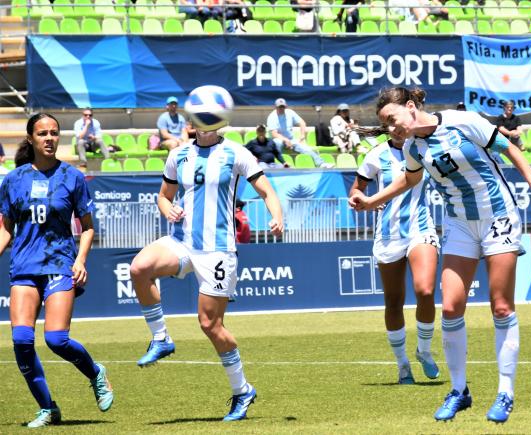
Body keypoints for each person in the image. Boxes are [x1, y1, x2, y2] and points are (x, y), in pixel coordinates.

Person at [349, 87, 531, 423]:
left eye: (392, 119)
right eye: (385, 124)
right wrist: (372, 201)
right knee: (449, 307)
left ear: (411, 106)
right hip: (459, 224)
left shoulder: (463, 122)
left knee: (501, 306)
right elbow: (408, 179)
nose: (391, 128)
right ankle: (459, 390)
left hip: (499, 217)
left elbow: (509, 150)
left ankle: (505, 392)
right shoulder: (414, 148)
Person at [129, 112, 284, 421]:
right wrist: (167, 208)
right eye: (197, 121)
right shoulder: (178, 154)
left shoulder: (237, 153)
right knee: (139, 268)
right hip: (182, 241)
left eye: (208, 121)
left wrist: (278, 216)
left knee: (210, 325)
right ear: (191, 125)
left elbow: (266, 190)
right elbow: (163, 196)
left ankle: (242, 391)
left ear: (219, 124)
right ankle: (161, 339)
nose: (201, 126)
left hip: (218, 250)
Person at [0, 113, 114, 428]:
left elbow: (88, 228)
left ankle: (96, 373)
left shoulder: (72, 177)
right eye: (42, 133)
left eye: (54, 133)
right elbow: (6, 228)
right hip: (23, 268)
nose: (49, 138)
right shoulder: (13, 179)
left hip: (60, 266)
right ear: (31, 139)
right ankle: (48, 408)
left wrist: (80, 260)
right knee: (22, 340)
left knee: (56, 339)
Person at [349, 134, 441, 385]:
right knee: (393, 301)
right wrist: (357, 197)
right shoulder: (376, 154)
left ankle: (423, 350)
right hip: (388, 235)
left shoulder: (425, 149)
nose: (397, 128)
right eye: (390, 123)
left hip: (420, 228)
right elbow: (357, 188)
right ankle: (403, 366)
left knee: (425, 290)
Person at [267, 98, 334, 168]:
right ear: (275, 107)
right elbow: (274, 134)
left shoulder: (290, 112)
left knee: (305, 148)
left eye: (282, 107)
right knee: (278, 143)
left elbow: (302, 123)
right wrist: (286, 140)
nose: (281, 108)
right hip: (278, 139)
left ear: (285, 106)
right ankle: (275, 165)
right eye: (279, 107)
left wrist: (302, 136)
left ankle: (321, 163)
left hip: (291, 139)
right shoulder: (272, 116)